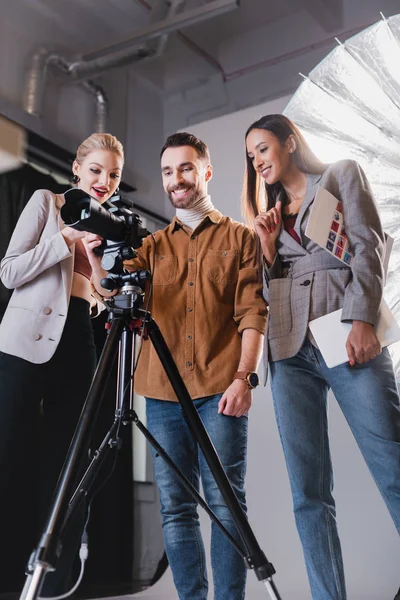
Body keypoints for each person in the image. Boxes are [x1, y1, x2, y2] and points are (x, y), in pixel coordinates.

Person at [242, 113, 400, 600]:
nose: (258, 162)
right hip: (289, 351)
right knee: (307, 493)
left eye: (263, 149)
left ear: (290, 143)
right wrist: (267, 250)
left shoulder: (339, 174)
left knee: (392, 464)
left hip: (346, 335)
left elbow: (368, 245)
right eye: (250, 157)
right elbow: (269, 292)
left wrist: (361, 319)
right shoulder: (266, 216)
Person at [125, 132, 267, 600]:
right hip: (162, 395)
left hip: (219, 390)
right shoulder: (149, 248)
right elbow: (116, 298)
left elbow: (252, 313)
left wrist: (244, 378)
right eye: (167, 171)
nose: (175, 179)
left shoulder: (240, 238)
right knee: (175, 508)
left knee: (228, 508)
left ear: (206, 171)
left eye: (185, 168)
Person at [0, 132, 124, 593]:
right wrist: (66, 238)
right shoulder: (45, 202)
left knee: (69, 463)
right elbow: (9, 270)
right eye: (96, 170)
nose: (104, 181)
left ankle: (52, 583)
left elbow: (109, 297)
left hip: (78, 338)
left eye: (113, 175)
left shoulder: (109, 223)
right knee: (6, 450)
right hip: (24, 339)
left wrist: (95, 259)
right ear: (77, 168)